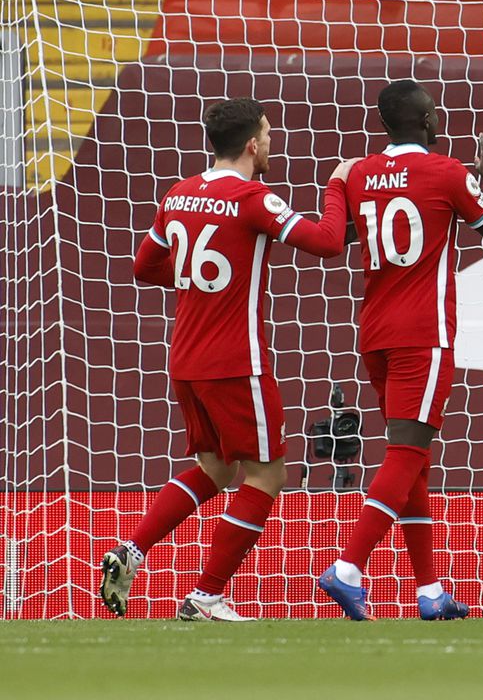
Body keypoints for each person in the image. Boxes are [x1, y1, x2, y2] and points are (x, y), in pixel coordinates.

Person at [101, 97, 355, 621]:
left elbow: (143, 266)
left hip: (186, 357)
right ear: (249, 145)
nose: (270, 143)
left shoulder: (179, 194)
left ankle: (131, 551)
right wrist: (337, 185)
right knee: (268, 475)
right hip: (237, 361)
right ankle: (206, 595)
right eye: (266, 134)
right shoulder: (255, 198)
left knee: (215, 468)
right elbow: (329, 242)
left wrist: (203, 285)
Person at [318, 79, 483, 621]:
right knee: (407, 453)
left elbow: (353, 235)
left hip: (375, 333)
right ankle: (349, 568)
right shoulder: (446, 172)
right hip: (423, 334)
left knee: (415, 462)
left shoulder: (360, 174)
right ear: (427, 120)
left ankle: (429, 591)